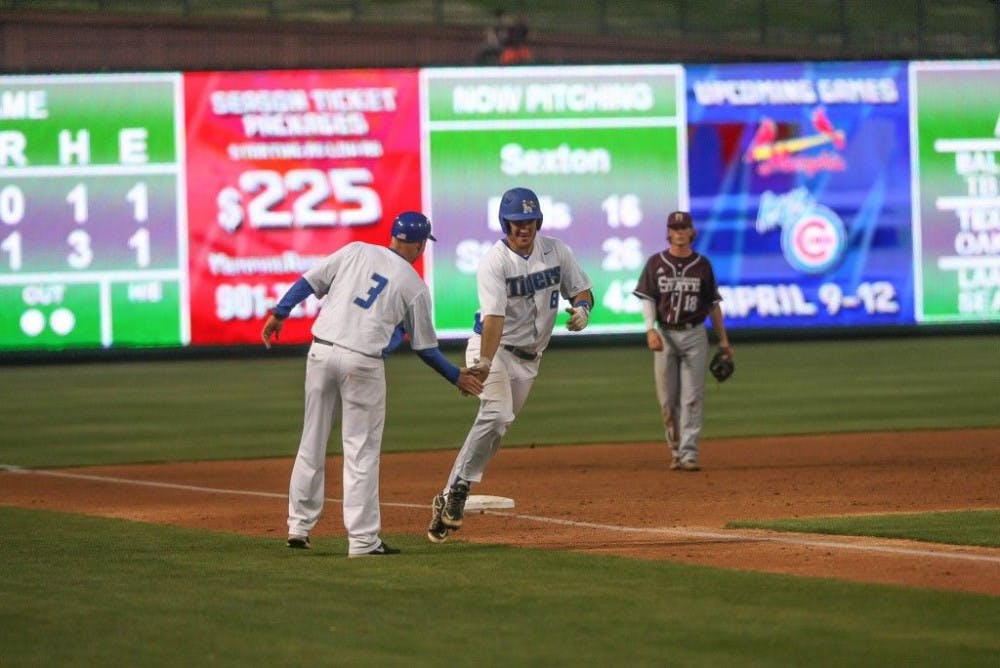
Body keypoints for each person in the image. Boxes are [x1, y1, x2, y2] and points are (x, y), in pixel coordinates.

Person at [261, 212, 484, 557]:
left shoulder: (356, 251)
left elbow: (309, 281)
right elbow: (424, 348)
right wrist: (456, 376)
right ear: (420, 243)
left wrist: (280, 313)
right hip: (362, 364)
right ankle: (363, 540)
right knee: (360, 452)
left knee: (311, 440)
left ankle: (298, 527)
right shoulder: (414, 285)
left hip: (320, 353)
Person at [426, 187, 594, 542]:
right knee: (498, 414)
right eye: (517, 222)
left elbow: (582, 290)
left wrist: (583, 310)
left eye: (529, 221)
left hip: (531, 359)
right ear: (505, 223)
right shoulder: (494, 261)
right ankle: (458, 491)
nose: (524, 228)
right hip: (494, 348)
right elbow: (493, 320)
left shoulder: (556, 251)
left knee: (499, 427)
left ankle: (447, 496)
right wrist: (484, 363)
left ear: (539, 221)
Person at [632, 211, 733, 472]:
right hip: (664, 333)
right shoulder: (656, 263)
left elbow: (713, 305)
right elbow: (648, 299)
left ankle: (688, 454)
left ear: (691, 232)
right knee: (667, 401)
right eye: (674, 228)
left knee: (692, 397)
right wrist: (649, 330)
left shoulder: (702, 265)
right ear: (668, 232)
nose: (679, 232)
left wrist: (723, 341)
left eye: (683, 227)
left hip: (694, 334)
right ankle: (675, 451)